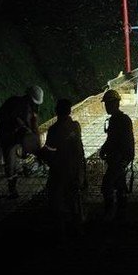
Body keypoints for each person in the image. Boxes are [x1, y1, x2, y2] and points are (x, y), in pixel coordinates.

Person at [39, 97, 86, 240]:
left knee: (57, 202)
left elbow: (49, 151)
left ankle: (61, 233)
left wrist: (40, 153)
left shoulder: (54, 130)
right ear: (70, 111)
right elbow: (79, 149)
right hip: (76, 170)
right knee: (74, 201)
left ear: (56, 111)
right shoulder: (75, 126)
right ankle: (77, 230)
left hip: (59, 172)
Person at [0, 85, 43, 198]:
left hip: (16, 137)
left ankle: (14, 183)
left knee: (14, 162)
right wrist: (16, 124)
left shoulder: (31, 109)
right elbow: (1, 118)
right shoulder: (15, 103)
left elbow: (34, 129)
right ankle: (12, 189)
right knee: (11, 164)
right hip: (8, 137)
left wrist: (37, 149)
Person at [98, 88, 135, 221]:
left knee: (107, 185)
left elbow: (116, 140)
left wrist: (105, 150)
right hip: (120, 158)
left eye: (108, 104)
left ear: (116, 104)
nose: (106, 107)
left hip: (118, 159)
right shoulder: (119, 119)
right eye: (106, 104)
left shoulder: (119, 120)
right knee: (120, 185)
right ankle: (121, 214)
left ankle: (110, 213)